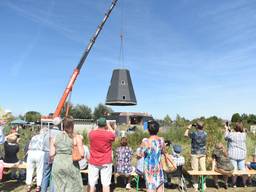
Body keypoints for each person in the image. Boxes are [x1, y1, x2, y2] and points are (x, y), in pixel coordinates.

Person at [50, 116, 84, 192]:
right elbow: (82, 154)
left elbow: (51, 154)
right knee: (73, 187)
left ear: (62, 125)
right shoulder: (77, 137)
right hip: (71, 164)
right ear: (73, 125)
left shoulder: (55, 138)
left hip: (57, 164)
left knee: (59, 187)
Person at [88, 117, 116, 192]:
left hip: (93, 161)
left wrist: (97, 125)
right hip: (106, 161)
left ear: (97, 124)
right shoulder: (109, 135)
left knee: (92, 184)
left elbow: (91, 132)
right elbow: (114, 134)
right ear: (105, 125)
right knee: (106, 184)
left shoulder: (92, 134)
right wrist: (108, 125)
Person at [137, 120, 165, 192]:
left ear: (148, 130)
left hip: (149, 168)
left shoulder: (146, 141)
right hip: (159, 167)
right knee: (160, 187)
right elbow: (163, 152)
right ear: (158, 130)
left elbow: (139, 155)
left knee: (150, 187)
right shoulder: (161, 140)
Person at [184, 122, 207, 191]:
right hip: (203, 153)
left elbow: (185, 135)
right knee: (203, 168)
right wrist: (197, 127)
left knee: (195, 169)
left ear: (196, 127)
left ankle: (196, 185)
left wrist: (188, 127)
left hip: (194, 153)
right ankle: (204, 184)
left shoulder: (194, 133)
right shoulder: (205, 133)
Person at [41, 118, 61, 192]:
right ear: (60, 124)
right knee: (54, 174)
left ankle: (43, 190)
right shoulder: (60, 134)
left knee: (45, 173)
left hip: (46, 153)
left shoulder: (47, 132)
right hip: (55, 154)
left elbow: (43, 143)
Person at [225, 122, 247, 187]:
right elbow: (243, 132)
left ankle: (234, 184)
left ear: (235, 128)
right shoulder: (244, 135)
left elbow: (226, 138)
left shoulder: (231, 134)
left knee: (234, 170)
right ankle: (244, 183)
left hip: (233, 155)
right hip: (242, 155)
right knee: (242, 169)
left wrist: (226, 129)